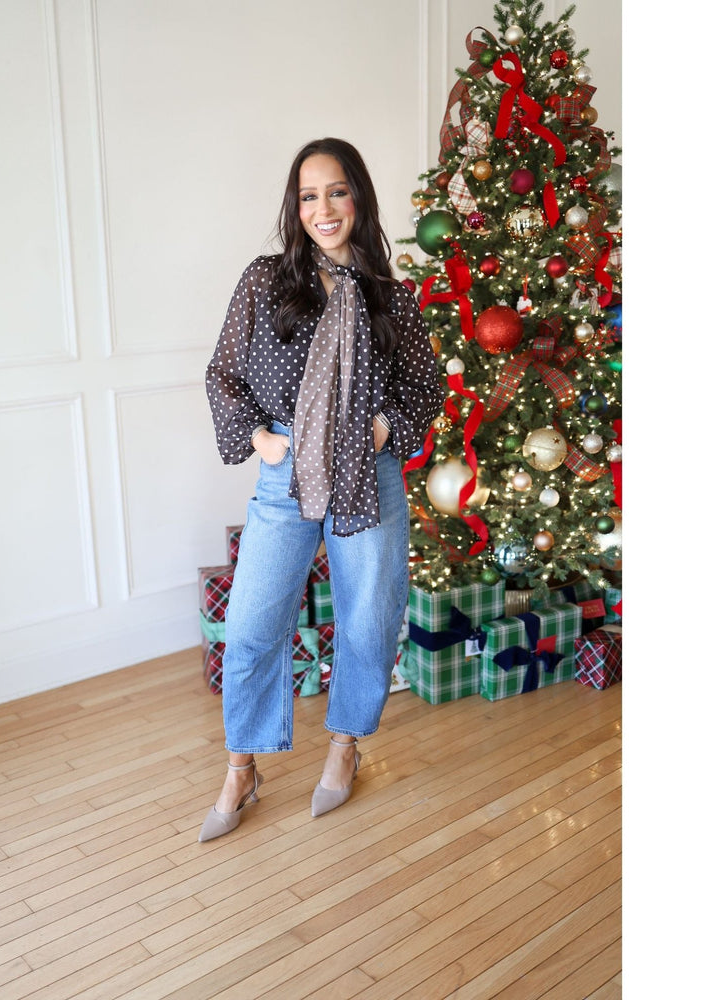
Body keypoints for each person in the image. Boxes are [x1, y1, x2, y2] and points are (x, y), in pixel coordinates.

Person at [200, 137, 444, 842]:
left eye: (336, 192)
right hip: (285, 473)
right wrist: (259, 439)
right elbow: (223, 372)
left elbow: (425, 389)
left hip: (369, 474)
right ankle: (243, 766)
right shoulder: (265, 280)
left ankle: (345, 747)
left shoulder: (392, 297)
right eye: (309, 196)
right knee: (250, 625)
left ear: (358, 198)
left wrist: (381, 430)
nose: (323, 208)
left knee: (367, 618)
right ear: (295, 206)